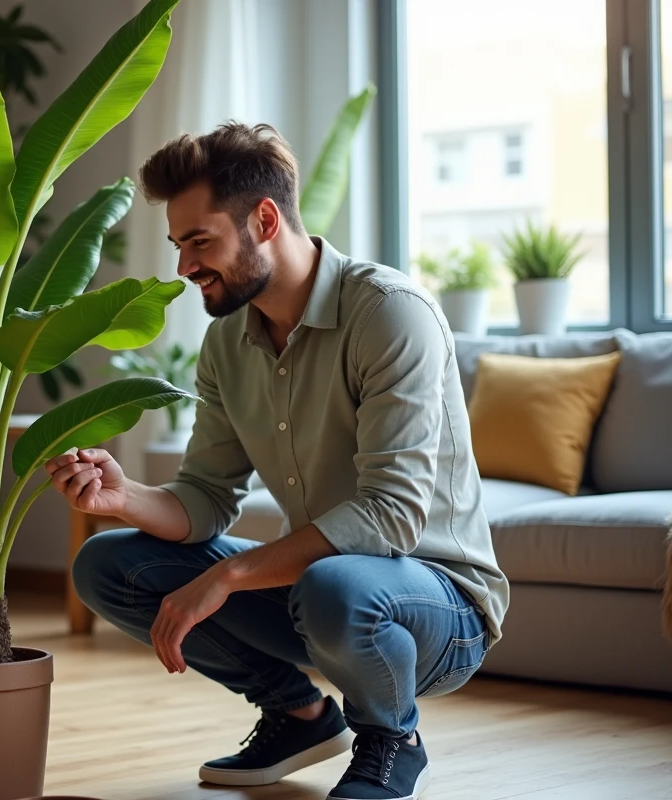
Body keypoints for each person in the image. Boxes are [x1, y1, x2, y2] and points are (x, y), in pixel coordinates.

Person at [47, 123, 508, 800]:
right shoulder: (228, 345)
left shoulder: (389, 314)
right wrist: (123, 500)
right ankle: (297, 714)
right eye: (178, 245)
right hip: (325, 593)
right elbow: (205, 498)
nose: (183, 267)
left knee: (335, 586)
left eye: (199, 242)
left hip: (440, 605)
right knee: (109, 563)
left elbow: (390, 517)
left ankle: (391, 742)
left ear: (264, 219)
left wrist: (230, 576)